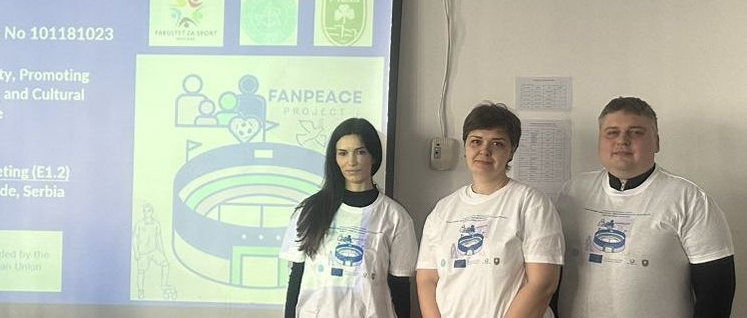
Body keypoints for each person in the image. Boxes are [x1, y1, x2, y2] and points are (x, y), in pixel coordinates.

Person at [556, 97, 734, 318]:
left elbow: (716, 294)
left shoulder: (690, 199)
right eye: (612, 133)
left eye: (636, 132)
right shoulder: (573, 192)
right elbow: (551, 271)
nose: (622, 141)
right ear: (600, 140)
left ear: (657, 142)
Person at [417, 103, 562, 318]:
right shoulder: (443, 210)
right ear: (465, 147)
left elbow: (543, 283)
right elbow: (427, 280)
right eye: (476, 141)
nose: (484, 150)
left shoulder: (532, 203)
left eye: (497, 143)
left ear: (511, 151)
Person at [280, 117, 417, 318]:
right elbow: (297, 276)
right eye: (343, 153)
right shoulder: (309, 211)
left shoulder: (396, 217)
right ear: (334, 158)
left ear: (374, 156)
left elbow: (400, 286)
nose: (351, 162)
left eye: (360, 152)